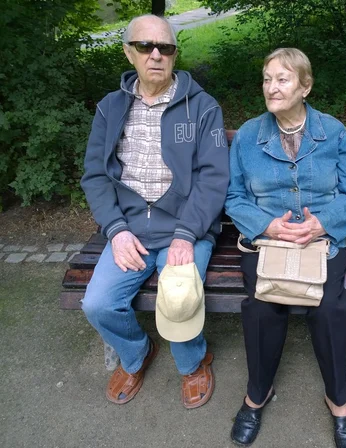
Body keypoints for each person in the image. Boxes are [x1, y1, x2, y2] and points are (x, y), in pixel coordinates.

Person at [80, 14, 229, 408]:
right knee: (96, 303)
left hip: (184, 227)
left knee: (178, 296)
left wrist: (186, 233)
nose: (157, 54)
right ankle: (136, 354)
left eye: (166, 47)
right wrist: (115, 228)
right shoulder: (110, 108)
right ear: (130, 53)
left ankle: (192, 363)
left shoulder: (203, 107)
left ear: (175, 55)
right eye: (146, 46)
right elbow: (95, 175)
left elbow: (214, 178)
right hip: (128, 227)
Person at [225, 48, 346, 447]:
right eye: (267, 79)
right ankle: (257, 395)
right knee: (261, 305)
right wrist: (268, 225)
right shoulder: (249, 135)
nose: (272, 87)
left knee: (331, 307)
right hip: (268, 242)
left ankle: (339, 400)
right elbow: (234, 198)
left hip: (320, 242)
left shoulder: (332, 131)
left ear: (305, 86)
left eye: (282, 79)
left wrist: (322, 223)